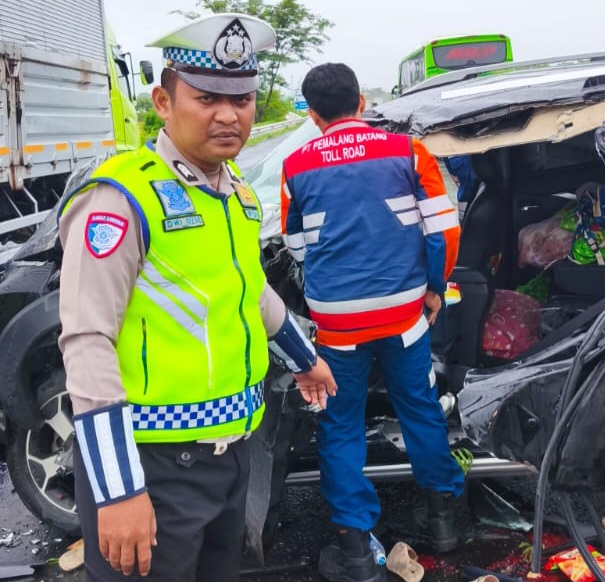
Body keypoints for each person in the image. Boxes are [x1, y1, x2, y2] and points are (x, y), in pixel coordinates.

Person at [57, 14, 336, 582]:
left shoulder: (233, 195)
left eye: (243, 99)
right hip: (153, 465)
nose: (229, 115)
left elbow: (249, 294)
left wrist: (307, 360)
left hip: (231, 454)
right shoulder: (121, 198)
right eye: (207, 97)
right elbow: (87, 340)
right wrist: (117, 492)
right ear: (163, 101)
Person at [281, 63, 466, 582]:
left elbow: (296, 248)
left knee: (340, 427)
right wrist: (433, 288)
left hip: (336, 326)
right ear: (362, 102)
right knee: (421, 409)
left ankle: (356, 552)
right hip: (404, 313)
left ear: (313, 115)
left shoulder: (295, 165)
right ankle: (444, 521)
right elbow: (443, 230)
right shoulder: (408, 151)